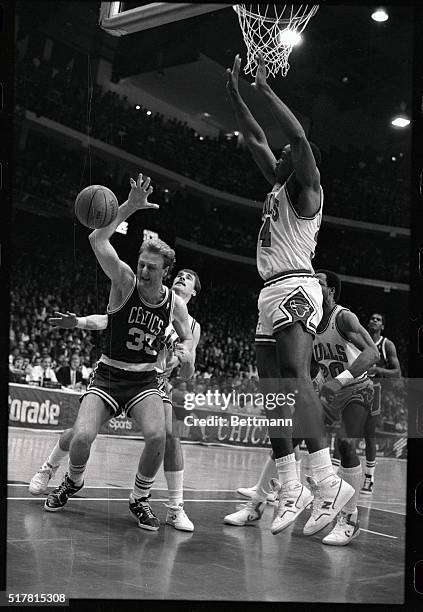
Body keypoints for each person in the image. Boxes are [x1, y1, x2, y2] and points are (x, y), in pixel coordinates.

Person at [224, 53, 353, 535]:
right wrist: (236, 96)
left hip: (298, 283)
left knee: (295, 374)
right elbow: (255, 137)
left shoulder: (308, 193)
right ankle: (290, 484)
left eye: (286, 156)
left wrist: (265, 88)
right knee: (271, 392)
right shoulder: (276, 188)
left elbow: (296, 138)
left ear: (300, 164)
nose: (276, 153)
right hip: (269, 291)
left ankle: (326, 483)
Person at [39, 174, 193, 531]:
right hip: (109, 374)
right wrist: (130, 207)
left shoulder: (175, 305)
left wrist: (183, 351)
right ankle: (73, 480)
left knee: (159, 436)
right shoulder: (124, 280)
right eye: (141, 263)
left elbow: (182, 339)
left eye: (151, 268)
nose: (143, 270)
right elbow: (97, 237)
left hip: (143, 380)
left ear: (166, 273)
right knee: (81, 437)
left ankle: (139, 498)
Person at [29, 268, 200, 532]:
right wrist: (80, 322)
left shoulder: (191, 326)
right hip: (117, 373)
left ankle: (173, 506)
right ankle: (50, 468)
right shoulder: (150, 298)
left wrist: (185, 361)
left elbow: (187, 371)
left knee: (169, 435)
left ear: (194, 292)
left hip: (151, 382)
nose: (182, 278)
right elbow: (109, 319)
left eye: (188, 279)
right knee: (79, 434)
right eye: (179, 274)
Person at [228, 270, 379, 546]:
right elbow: (314, 364)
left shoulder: (344, 317)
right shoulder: (308, 320)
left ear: (330, 291)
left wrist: (340, 380)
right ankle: (256, 506)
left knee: (345, 445)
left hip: (357, 387)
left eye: (318, 283)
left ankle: (349, 519)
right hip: (330, 389)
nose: (310, 286)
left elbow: (372, 353)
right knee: (287, 437)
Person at [361, 312, 401, 494]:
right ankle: (335, 475)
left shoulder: (387, 344)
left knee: (370, 435)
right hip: (355, 387)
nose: (373, 320)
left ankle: (369, 478)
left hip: (375, 391)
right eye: (372, 318)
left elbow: (397, 372)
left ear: (382, 326)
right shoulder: (359, 338)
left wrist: (378, 368)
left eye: (378, 319)